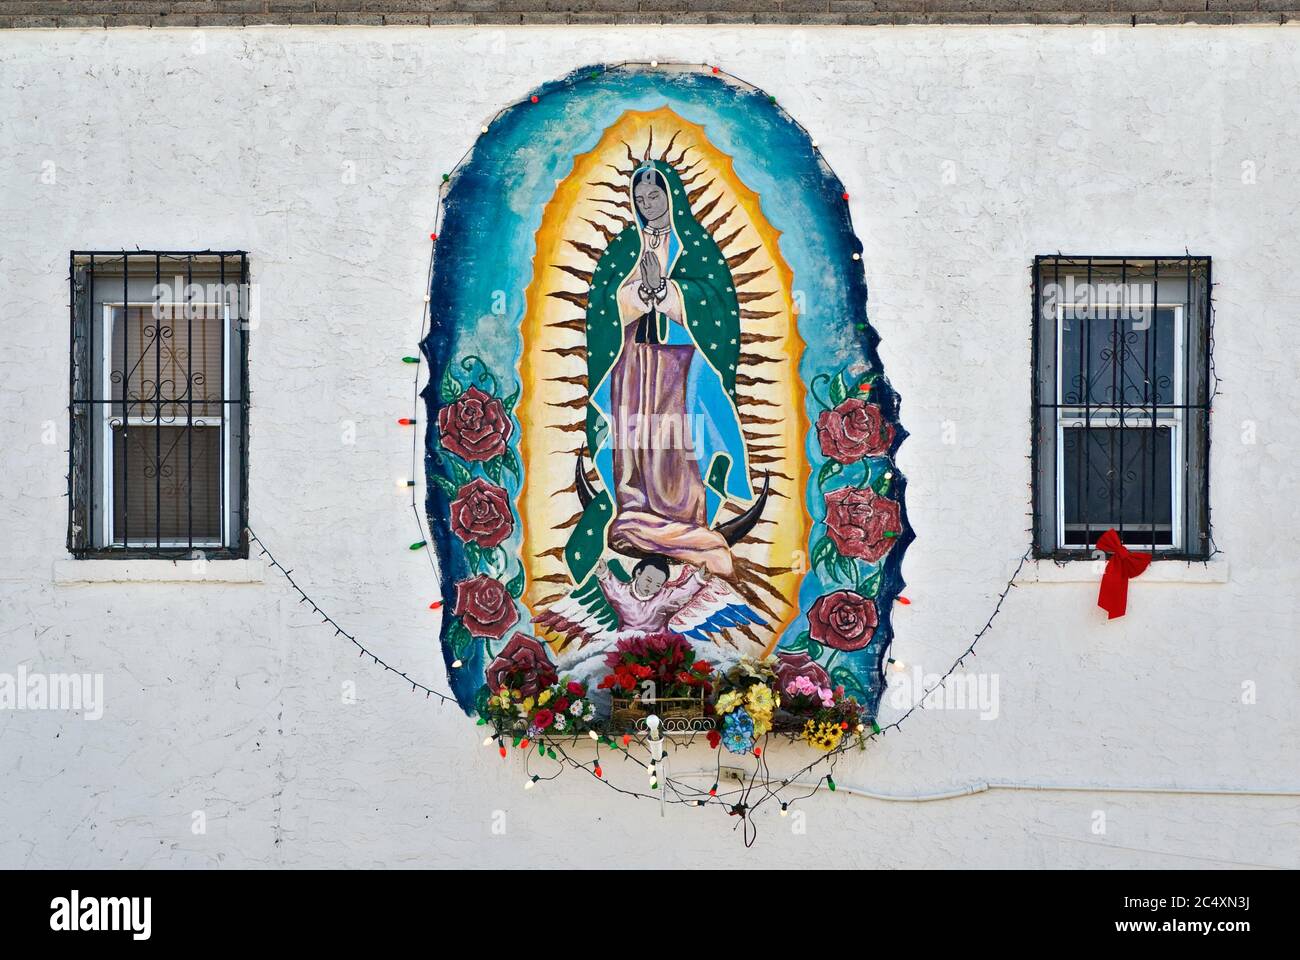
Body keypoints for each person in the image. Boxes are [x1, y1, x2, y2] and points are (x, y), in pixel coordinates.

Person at [564, 158, 754, 584]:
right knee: (635, 438)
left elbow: (717, 306)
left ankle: (682, 521)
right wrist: (638, 291)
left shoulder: (698, 248)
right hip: (633, 359)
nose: (648, 205)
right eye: (640, 198)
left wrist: (668, 290)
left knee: (677, 442)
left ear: (672, 197)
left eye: (655, 196)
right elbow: (602, 308)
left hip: (681, 360)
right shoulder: (622, 249)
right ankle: (635, 514)